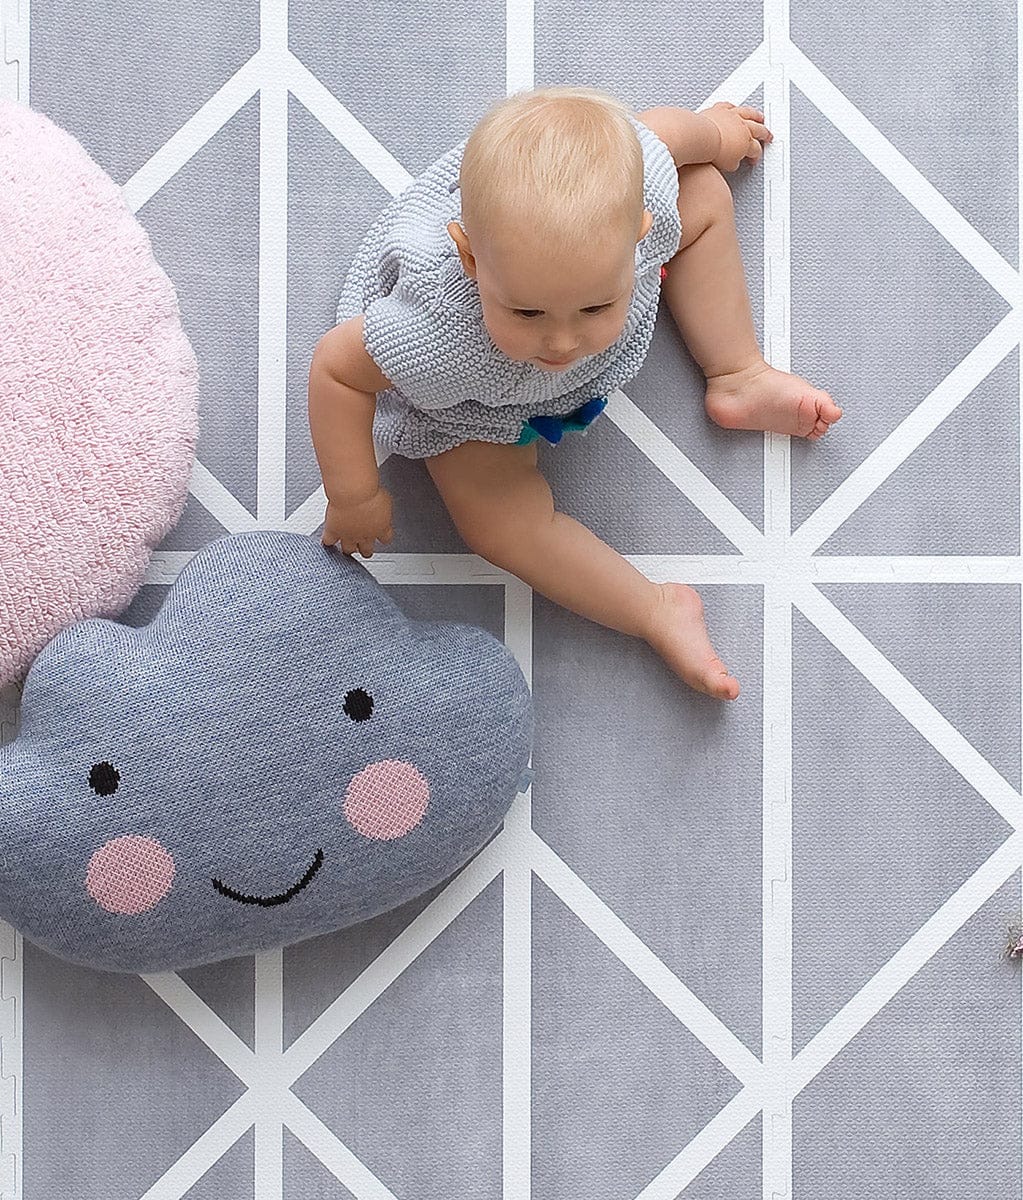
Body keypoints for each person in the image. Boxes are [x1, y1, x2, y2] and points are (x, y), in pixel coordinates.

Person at [308, 87, 842, 700]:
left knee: (703, 189)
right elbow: (336, 371)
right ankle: (654, 610)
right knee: (498, 524)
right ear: (472, 259)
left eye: (594, 307)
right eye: (527, 312)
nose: (562, 342)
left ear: (639, 233)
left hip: (581, 286)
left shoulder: (645, 201)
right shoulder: (432, 334)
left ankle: (738, 373)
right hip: (472, 406)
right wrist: (353, 494)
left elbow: (664, 134)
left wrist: (719, 134)